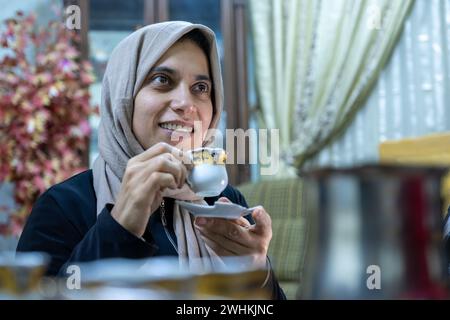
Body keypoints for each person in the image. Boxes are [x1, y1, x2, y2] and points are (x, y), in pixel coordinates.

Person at [16, 21, 286, 299]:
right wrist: (120, 226)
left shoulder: (225, 205)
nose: (186, 103)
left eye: (201, 87)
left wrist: (257, 273)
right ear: (124, 97)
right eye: (162, 80)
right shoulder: (64, 206)